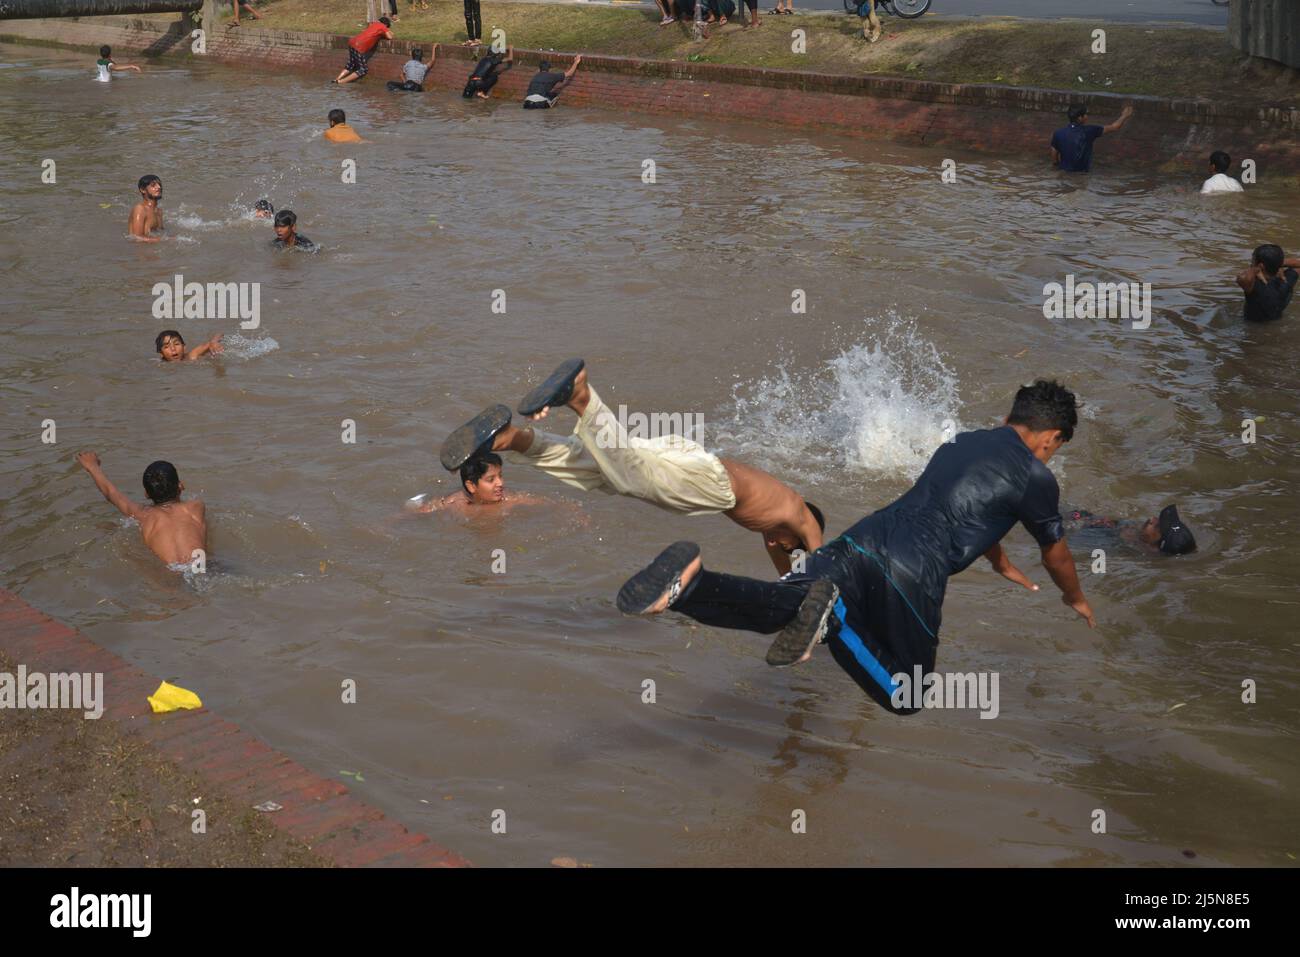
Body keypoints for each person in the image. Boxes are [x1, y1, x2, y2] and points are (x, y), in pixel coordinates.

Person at [617, 380, 1096, 714]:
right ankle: (835, 618)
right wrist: (1073, 597)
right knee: (905, 694)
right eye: (1056, 447)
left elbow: (967, 502)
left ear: (1008, 418)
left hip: (862, 539)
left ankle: (689, 585)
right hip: (913, 568)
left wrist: (1000, 561)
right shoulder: (1036, 476)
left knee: (783, 610)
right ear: (1052, 437)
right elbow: (1055, 552)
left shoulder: (964, 442)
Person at [439, 359, 824, 574]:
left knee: (597, 468)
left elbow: (790, 577)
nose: (776, 544)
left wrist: (794, 588)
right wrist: (823, 572)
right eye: (786, 543)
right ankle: (581, 396)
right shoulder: (796, 513)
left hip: (690, 456)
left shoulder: (775, 526)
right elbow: (820, 556)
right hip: (712, 483)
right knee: (634, 479)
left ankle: (510, 439)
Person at [75, 452, 208, 568]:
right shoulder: (196, 507)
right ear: (181, 486)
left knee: (109, 527)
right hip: (201, 566)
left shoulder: (143, 515)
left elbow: (111, 493)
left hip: (172, 572)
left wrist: (92, 466)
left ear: (146, 494)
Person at [411, 453, 556, 514]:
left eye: (500, 476)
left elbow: (549, 503)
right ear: (471, 486)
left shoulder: (509, 499)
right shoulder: (453, 504)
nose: (500, 483)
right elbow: (414, 513)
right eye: (491, 479)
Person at [1063, 504, 1196, 556]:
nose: (1152, 519)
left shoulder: (1116, 549)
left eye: (1157, 526)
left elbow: (1065, 539)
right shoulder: (1135, 532)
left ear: (1154, 548)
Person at [1051, 102, 1134, 173]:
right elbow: (1114, 127)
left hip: (1064, 172)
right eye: (1086, 114)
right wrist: (1124, 115)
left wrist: (1057, 167)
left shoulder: (1058, 133)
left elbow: (1054, 156)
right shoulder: (1090, 131)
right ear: (1080, 118)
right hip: (1082, 174)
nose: (1087, 116)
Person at [1236, 244, 1299, 323]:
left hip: (1251, 327)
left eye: (1253, 260)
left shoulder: (1254, 285)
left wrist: (1255, 270)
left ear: (1260, 266)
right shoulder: (1286, 281)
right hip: (1276, 319)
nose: (1251, 263)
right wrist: (1277, 263)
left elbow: (1241, 278)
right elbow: (1298, 265)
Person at [333, 16, 393, 85]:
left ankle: (337, 79)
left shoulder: (373, 24)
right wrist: (388, 31)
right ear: (386, 24)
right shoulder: (383, 26)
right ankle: (341, 82)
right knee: (363, 70)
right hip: (359, 46)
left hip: (352, 42)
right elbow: (390, 37)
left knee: (351, 64)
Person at [128, 174, 164, 243]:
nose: (159, 187)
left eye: (159, 185)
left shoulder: (159, 211)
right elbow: (136, 237)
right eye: (153, 185)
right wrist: (165, 240)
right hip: (139, 252)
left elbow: (160, 233)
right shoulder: (140, 209)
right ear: (143, 190)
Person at [156, 330, 224, 362]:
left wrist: (214, 343)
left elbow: (217, 336)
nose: (173, 348)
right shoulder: (158, 363)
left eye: (176, 344)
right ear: (161, 353)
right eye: (166, 347)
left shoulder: (192, 356)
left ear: (184, 347)